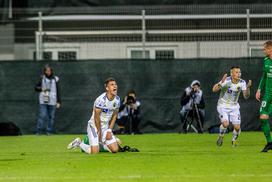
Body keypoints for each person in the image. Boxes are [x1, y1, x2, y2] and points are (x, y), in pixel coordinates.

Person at [67, 77, 121, 154]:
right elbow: (96, 117)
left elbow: (115, 115)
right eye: (112, 85)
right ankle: (79, 143)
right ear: (107, 88)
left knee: (115, 150)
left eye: (115, 84)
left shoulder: (117, 100)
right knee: (95, 152)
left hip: (105, 127)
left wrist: (109, 130)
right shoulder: (101, 100)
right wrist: (99, 131)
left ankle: (104, 143)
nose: (115, 86)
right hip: (94, 126)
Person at [212, 66, 251, 147]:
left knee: (237, 127)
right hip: (223, 105)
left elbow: (246, 96)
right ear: (232, 73)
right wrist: (220, 83)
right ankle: (221, 136)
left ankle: (234, 140)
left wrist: (248, 88)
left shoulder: (242, 82)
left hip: (234, 106)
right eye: (236, 72)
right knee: (225, 124)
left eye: (239, 72)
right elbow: (214, 90)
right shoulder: (226, 81)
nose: (238, 74)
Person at [255, 40, 272, 152]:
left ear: (271, 49)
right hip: (268, 94)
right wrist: (259, 89)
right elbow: (264, 76)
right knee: (263, 118)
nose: (263, 50)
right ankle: (270, 143)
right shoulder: (266, 61)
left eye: (265, 48)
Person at [35, 65, 61, 135]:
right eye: (47, 71)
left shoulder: (55, 79)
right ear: (45, 71)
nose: (48, 72)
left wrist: (58, 101)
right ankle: (38, 131)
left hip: (52, 101)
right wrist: (41, 89)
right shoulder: (42, 78)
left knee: (51, 117)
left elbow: (58, 90)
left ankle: (49, 131)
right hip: (43, 101)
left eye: (49, 71)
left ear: (51, 71)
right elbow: (36, 88)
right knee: (42, 116)